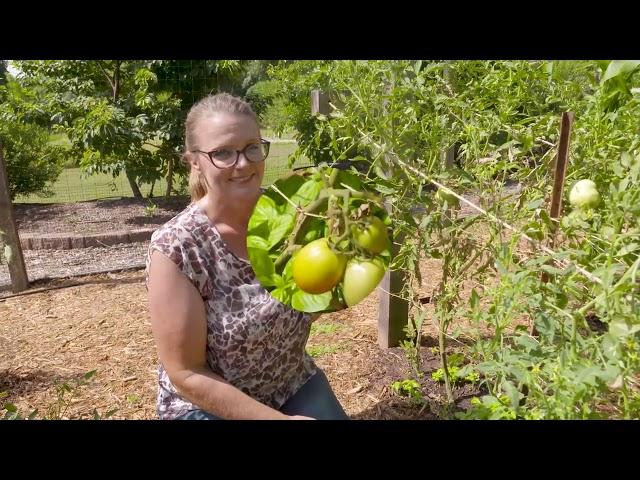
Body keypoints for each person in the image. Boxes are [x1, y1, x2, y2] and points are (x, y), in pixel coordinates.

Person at [145, 93, 349, 420]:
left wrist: (346, 273)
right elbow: (186, 373)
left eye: (252, 146)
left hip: (288, 382)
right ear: (194, 160)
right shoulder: (178, 248)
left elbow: (309, 301)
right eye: (223, 153)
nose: (243, 163)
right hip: (205, 406)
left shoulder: (288, 215)